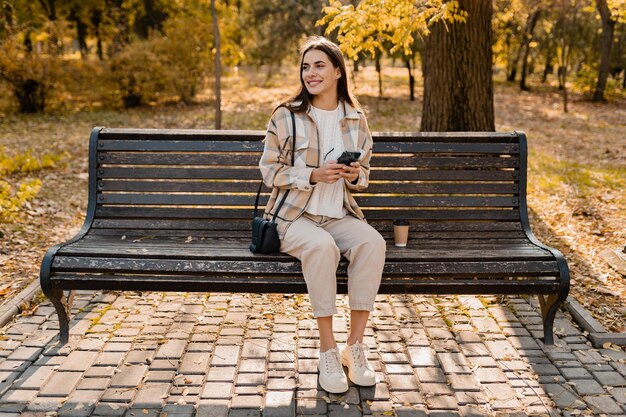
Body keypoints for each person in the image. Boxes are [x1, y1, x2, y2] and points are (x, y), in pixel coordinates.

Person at [259, 36, 386, 394]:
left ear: (337, 72)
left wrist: (354, 174)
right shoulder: (287, 116)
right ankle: (327, 350)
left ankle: (354, 347)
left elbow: (364, 175)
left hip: (336, 215)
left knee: (372, 244)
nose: (310, 73)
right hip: (293, 218)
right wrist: (311, 175)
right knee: (323, 248)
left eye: (318, 66)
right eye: (305, 66)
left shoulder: (356, 119)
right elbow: (269, 171)